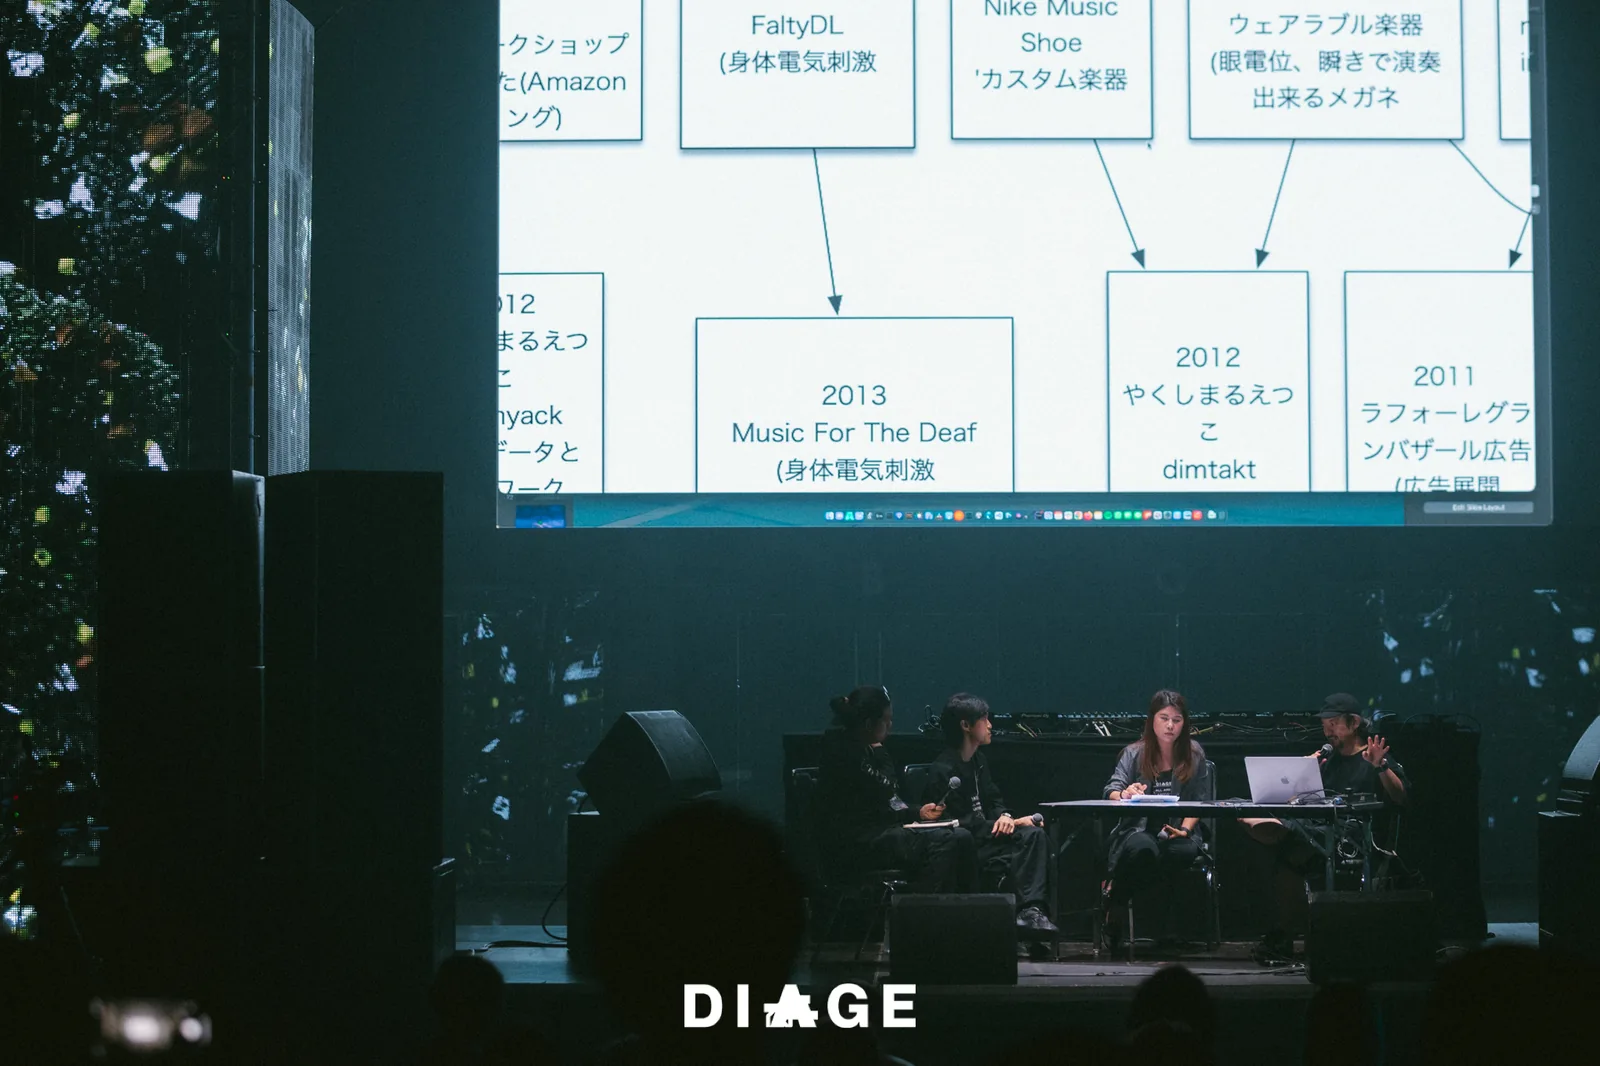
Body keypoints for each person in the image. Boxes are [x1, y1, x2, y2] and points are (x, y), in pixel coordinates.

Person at [1239, 692, 1410, 964]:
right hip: (1319, 830)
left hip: (1354, 838)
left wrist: (1381, 767)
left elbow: (1401, 797)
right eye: (1325, 725)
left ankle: (1279, 832)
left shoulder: (1372, 757)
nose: (1328, 731)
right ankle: (1286, 935)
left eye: (1334, 724)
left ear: (1354, 723)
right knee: (1281, 855)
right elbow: (1303, 801)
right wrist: (1303, 773)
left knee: (1287, 850)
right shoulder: (1328, 761)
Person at [817, 685, 973, 892]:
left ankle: (965, 906)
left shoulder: (864, 749)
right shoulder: (845, 753)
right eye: (886, 720)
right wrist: (882, 755)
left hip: (882, 832)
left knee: (962, 836)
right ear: (869, 724)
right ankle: (925, 906)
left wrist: (917, 812)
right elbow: (887, 787)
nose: (890, 725)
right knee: (944, 841)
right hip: (859, 842)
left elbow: (890, 799)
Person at [924, 693, 1056, 936]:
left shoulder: (979, 760)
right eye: (985, 719)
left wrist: (1005, 816)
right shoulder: (943, 769)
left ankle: (1031, 912)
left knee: (1035, 835)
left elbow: (994, 800)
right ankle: (1021, 915)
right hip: (967, 846)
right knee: (1025, 840)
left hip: (988, 837)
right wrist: (1009, 823)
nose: (990, 725)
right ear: (966, 725)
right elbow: (956, 823)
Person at [1102, 690, 1213, 944]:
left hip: (1178, 830)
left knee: (1182, 851)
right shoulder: (1134, 753)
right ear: (1152, 720)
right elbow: (1111, 789)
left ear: (1184, 723)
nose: (1170, 725)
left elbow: (1199, 802)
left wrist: (1185, 830)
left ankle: (1125, 898)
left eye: (1176, 720)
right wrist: (1125, 793)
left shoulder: (1194, 754)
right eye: (1164, 718)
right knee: (1143, 850)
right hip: (1139, 829)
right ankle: (1118, 902)